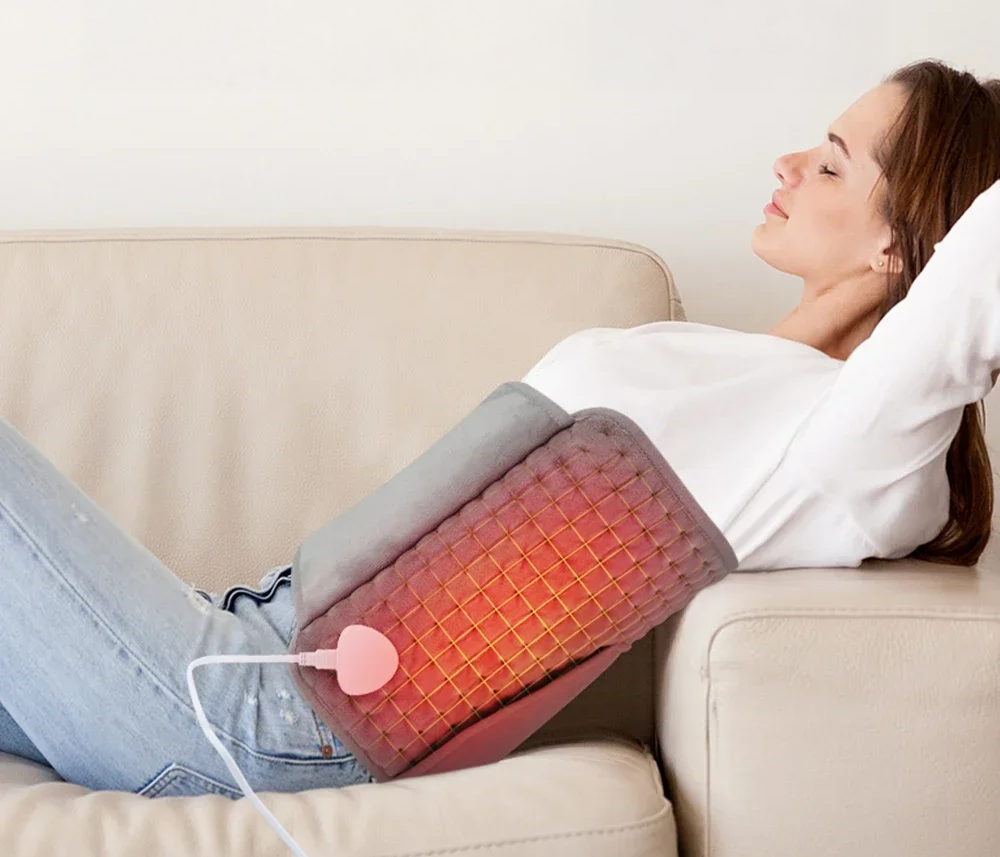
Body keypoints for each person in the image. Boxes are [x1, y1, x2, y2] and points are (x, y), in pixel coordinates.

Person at [1, 58, 998, 804]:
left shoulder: (849, 451)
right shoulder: (736, 365)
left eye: (831, 165)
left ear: (901, 240)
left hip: (263, 726)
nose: (787, 164)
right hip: (228, 644)